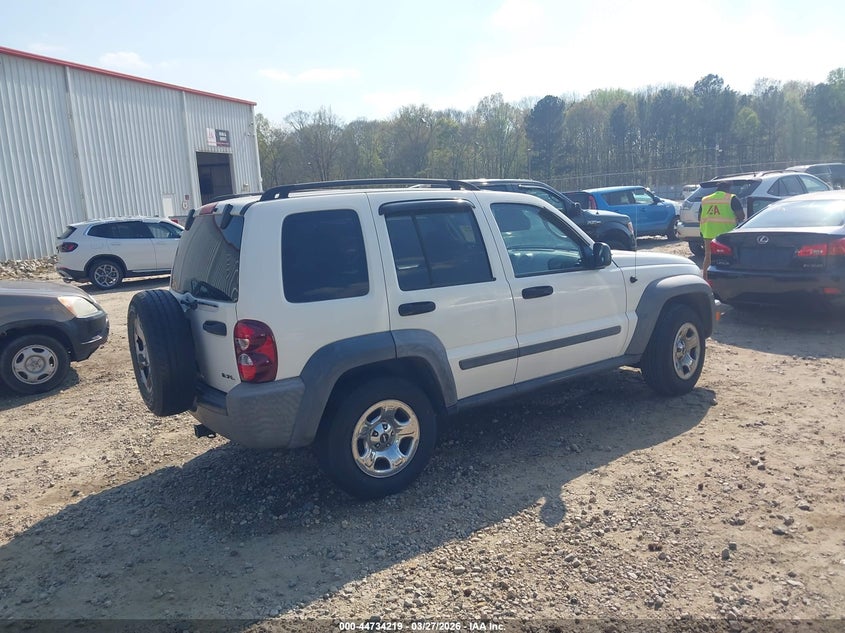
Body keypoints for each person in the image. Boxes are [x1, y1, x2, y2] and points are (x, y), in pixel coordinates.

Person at [699, 181, 744, 280]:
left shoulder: (705, 199)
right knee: (728, 259)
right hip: (726, 234)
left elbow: (700, 217)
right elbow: (741, 216)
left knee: (708, 258)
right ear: (729, 188)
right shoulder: (731, 198)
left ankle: (706, 280)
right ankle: (728, 280)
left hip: (708, 232)